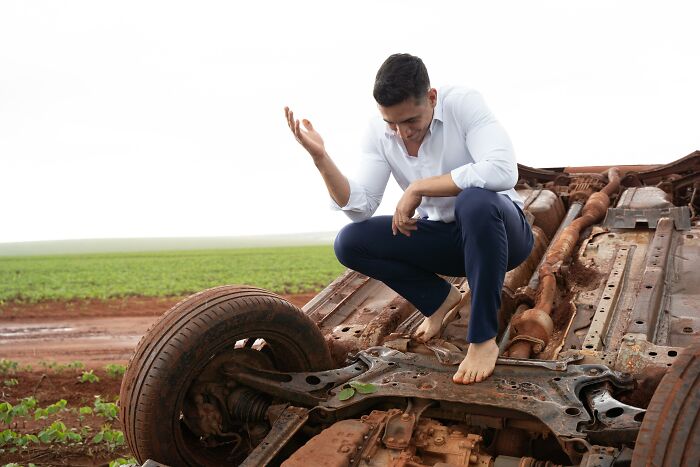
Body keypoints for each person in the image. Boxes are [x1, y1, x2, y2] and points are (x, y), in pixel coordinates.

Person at [284, 53, 533, 384]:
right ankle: (439, 299)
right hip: (449, 242)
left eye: (411, 122)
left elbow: (502, 170)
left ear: (431, 98)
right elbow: (361, 205)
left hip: (502, 234)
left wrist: (419, 187)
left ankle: (483, 339)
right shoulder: (379, 131)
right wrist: (321, 159)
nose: (402, 134)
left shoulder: (463, 103)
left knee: (474, 201)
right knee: (350, 241)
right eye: (392, 123)